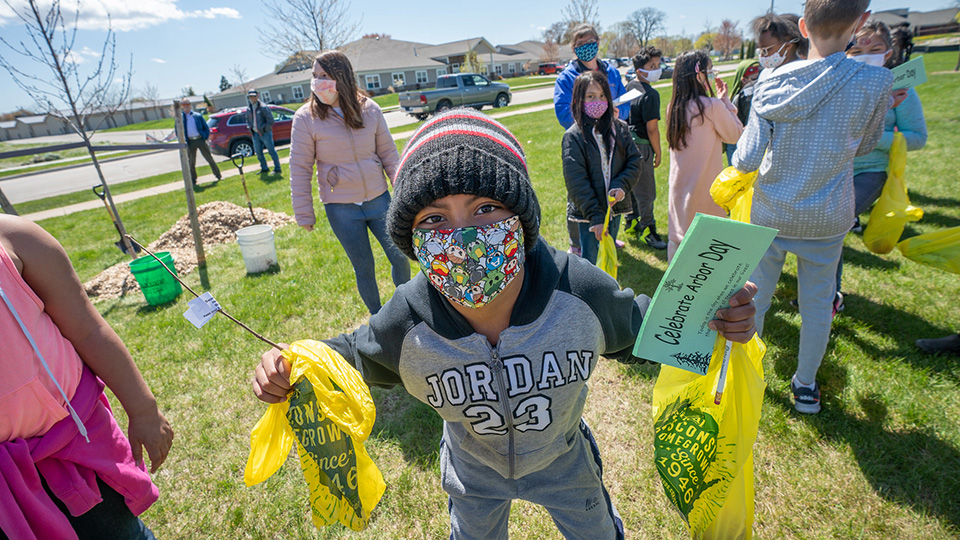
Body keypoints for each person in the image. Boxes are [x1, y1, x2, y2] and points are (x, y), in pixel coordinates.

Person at [252, 109, 759, 540]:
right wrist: (288, 365)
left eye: (486, 208)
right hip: (473, 476)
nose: (463, 235)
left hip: (565, 463)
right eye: (434, 219)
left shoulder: (574, 289)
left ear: (521, 220)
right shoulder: (408, 319)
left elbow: (645, 328)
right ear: (411, 237)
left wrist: (716, 316)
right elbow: (349, 358)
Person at [732, 0, 897, 414]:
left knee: (757, 299)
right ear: (859, 25)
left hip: (772, 212)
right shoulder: (876, 82)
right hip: (828, 215)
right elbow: (866, 145)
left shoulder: (771, 82)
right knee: (817, 306)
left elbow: (746, 159)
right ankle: (804, 384)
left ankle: (744, 372)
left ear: (803, 27)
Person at [0, 214, 173, 539]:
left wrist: (144, 409)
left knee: (120, 534)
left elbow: (88, 329)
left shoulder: (16, 238)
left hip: (73, 446)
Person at [289, 50, 410, 315]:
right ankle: (379, 320)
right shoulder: (305, 118)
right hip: (341, 207)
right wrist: (304, 212)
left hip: (379, 199)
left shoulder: (369, 109)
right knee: (363, 267)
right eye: (314, 76)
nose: (317, 82)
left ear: (341, 76)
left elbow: (388, 153)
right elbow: (299, 168)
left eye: (324, 75)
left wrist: (403, 190)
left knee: (400, 256)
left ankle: (407, 309)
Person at [835, 20, 927, 300]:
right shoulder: (839, 85)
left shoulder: (901, 89)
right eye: (859, 50)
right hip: (836, 169)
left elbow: (918, 137)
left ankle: (827, 298)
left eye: (876, 49)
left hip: (871, 172)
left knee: (837, 223)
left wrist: (876, 138)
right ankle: (823, 294)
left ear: (888, 53)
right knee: (829, 230)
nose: (867, 55)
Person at [553, 24, 631, 256]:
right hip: (585, 143)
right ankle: (578, 243)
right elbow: (563, 112)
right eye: (581, 44)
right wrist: (591, 124)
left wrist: (616, 116)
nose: (587, 47)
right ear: (574, 48)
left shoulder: (612, 72)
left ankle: (608, 231)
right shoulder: (567, 77)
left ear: (598, 42)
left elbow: (624, 103)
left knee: (610, 185)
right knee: (581, 189)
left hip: (612, 140)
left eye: (591, 42)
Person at [665, 50, 744, 260]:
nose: (712, 74)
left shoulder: (672, 107)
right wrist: (726, 102)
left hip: (679, 188)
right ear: (699, 75)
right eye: (710, 70)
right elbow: (735, 135)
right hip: (705, 189)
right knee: (706, 246)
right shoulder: (712, 107)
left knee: (680, 240)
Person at [563, 70, 641, 265]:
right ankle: (590, 293)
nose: (597, 101)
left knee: (608, 254)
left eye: (602, 95)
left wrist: (621, 186)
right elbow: (576, 182)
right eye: (590, 96)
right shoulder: (574, 136)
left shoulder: (620, 129)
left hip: (614, 207)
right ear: (578, 101)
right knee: (591, 261)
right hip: (589, 213)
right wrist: (596, 217)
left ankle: (608, 291)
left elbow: (635, 160)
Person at [623, 46, 667, 250]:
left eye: (658, 65)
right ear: (640, 69)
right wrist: (658, 151)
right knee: (647, 192)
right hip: (642, 147)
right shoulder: (651, 94)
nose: (657, 69)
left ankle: (631, 222)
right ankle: (648, 229)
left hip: (624, 146)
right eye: (652, 66)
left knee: (631, 186)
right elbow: (652, 129)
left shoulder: (628, 87)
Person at [178, 98, 221, 187]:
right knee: (191, 162)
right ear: (182, 106)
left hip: (200, 139)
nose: (186, 106)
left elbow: (206, 128)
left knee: (209, 158)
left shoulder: (197, 116)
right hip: (190, 141)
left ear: (190, 105)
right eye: (184, 105)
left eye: (188, 104)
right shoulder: (180, 118)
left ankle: (218, 175)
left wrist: (204, 137)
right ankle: (193, 180)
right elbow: (177, 130)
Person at [724, 60, 760, 164]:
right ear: (743, 80)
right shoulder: (743, 97)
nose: (758, 81)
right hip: (739, 144)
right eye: (754, 79)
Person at [751, 13, 807, 78]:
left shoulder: (802, 72)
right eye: (761, 51)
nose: (762, 56)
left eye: (766, 50)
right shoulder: (766, 73)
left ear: (787, 46)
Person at [245, 89, 282, 175]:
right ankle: (264, 168)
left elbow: (270, 120)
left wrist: (265, 129)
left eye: (254, 96)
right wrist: (249, 127)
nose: (252, 98)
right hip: (255, 134)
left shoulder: (263, 107)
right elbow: (248, 120)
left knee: (271, 151)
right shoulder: (248, 108)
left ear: (257, 96)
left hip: (265, 133)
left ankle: (277, 168)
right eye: (250, 96)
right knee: (258, 153)